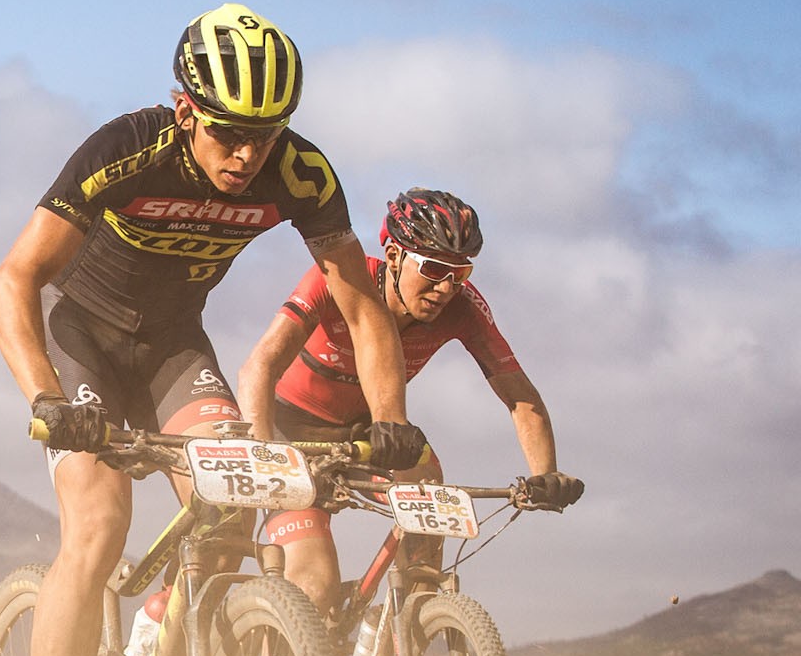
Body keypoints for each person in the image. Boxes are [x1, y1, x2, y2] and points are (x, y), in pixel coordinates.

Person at [0, 4, 426, 656]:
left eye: (265, 135)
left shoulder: (298, 174)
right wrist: (45, 396)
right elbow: (14, 279)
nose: (246, 153)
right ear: (186, 110)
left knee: (230, 515)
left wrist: (392, 421)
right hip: (82, 343)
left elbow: (360, 301)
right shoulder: (127, 148)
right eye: (229, 132)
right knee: (100, 520)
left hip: (173, 349)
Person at [238, 187, 584, 615]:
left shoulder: (463, 308)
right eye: (435, 268)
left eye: (460, 274)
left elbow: (520, 397)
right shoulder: (343, 279)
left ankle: (401, 647)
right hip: (289, 429)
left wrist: (545, 475)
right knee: (314, 583)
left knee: (429, 534)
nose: (445, 287)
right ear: (394, 255)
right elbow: (259, 368)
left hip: (373, 434)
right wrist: (258, 452)